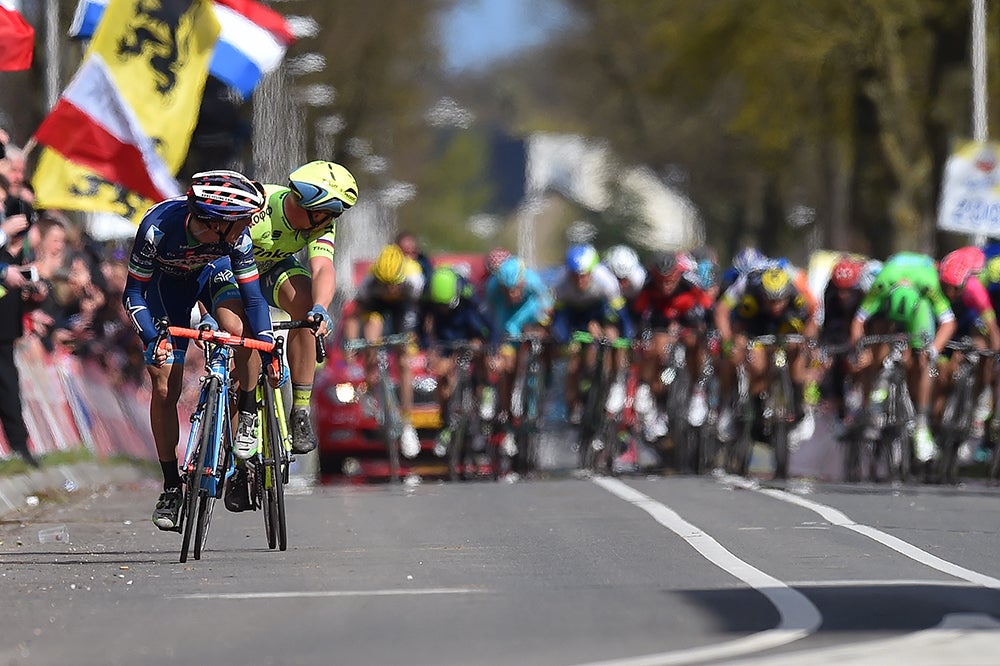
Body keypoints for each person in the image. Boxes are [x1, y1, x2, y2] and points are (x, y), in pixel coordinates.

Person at [122, 170, 278, 531]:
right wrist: (153, 338)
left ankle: (247, 410)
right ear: (216, 222)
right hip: (165, 290)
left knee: (239, 330)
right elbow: (132, 293)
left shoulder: (236, 237)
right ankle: (171, 487)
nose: (248, 227)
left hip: (212, 274)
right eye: (242, 220)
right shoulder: (157, 229)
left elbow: (254, 299)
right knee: (165, 386)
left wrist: (268, 344)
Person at [206, 160, 358, 456]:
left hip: (271, 270)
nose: (332, 219)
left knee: (306, 308)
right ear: (312, 208)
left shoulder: (321, 222)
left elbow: (323, 267)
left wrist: (320, 307)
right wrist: (208, 310)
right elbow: (210, 258)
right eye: (331, 212)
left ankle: (300, 410)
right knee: (243, 335)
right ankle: (240, 437)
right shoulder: (257, 209)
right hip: (230, 273)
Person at [849, 252, 956, 464]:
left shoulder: (929, 285)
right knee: (878, 337)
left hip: (919, 307)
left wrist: (933, 350)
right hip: (889, 301)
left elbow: (949, 322)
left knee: (924, 360)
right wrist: (861, 352)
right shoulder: (882, 283)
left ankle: (922, 425)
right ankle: (877, 393)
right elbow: (858, 321)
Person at [715, 264, 819, 445]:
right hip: (756, 325)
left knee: (798, 351)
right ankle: (750, 405)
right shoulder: (748, 286)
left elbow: (814, 313)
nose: (776, 305)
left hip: (787, 324)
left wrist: (810, 337)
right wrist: (727, 341)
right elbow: (721, 310)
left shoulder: (796, 290)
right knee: (755, 362)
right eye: (771, 300)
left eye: (780, 300)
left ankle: (799, 404)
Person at [342, 242, 425, 458]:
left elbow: (419, 314)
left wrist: (415, 338)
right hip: (376, 306)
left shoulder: (413, 280)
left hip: (402, 309)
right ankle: (371, 388)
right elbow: (354, 315)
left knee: (404, 360)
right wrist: (352, 345)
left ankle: (407, 422)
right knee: (371, 337)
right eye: (386, 285)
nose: (391, 290)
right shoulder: (370, 283)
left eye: (394, 285)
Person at [632, 250, 713, 440]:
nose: (665, 286)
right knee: (655, 347)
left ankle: (697, 390)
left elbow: (709, 309)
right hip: (661, 322)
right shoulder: (648, 284)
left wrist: (708, 331)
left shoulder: (690, 283)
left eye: (670, 281)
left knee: (695, 342)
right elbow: (638, 313)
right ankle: (647, 388)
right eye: (661, 282)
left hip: (687, 320)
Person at [551, 243, 634, 424]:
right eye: (575, 276)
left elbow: (622, 316)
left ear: (592, 271)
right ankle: (574, 406)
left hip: (599, 313)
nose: (580, 281)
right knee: (573, 365)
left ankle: (615, 382)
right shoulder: (561, 284)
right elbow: (559, 319)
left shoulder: (605, 281)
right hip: (574, 316)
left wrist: (627, 338)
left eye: (584, 275)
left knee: (611, 338)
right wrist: (566, 340)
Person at [421, 265, 499, 455]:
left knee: (480, 351)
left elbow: (491, 325)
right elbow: (421, 324)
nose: (443, 309)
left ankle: (485, 390)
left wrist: (493, 348)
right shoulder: (428, 295)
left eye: (446, 305)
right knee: (441, 374)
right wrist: (426, 347)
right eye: (440, 306)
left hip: (470, 334)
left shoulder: (469, 294)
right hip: (447, 339)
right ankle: (445, 420)